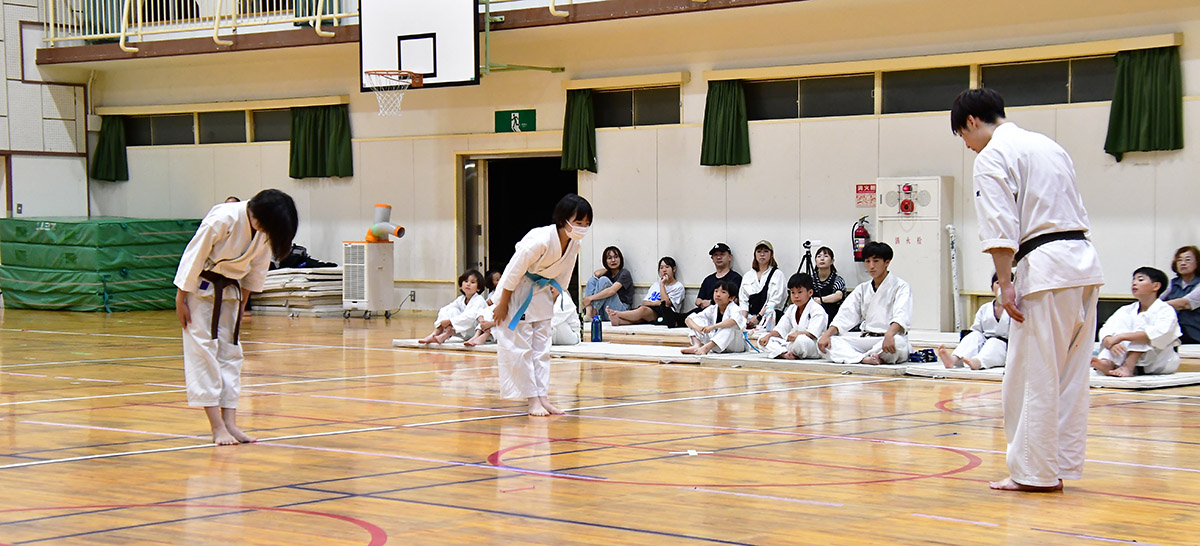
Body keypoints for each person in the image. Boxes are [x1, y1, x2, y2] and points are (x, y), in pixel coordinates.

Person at [952, 87, 1104, 493]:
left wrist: (1005, 285)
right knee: (1069, 375)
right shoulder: (1048, 146)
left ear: (971, 122)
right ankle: (1059, 465)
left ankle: (1034, 473)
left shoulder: (992, 157)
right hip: (1084, 263)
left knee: (1031, 376)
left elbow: (1001, 231)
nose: (967, 146)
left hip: (1046, 268)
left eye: (962, 137)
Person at [174, 188, 298, 445]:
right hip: (199, 289)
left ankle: (230, 423)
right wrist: (180, 299)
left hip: (231, 292)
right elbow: (193, 256)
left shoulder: (264, 231)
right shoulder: (223, 218)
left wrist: (243, 305)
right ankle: (216, 426)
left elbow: (257, 269)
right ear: (258, 217)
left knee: (232, 354)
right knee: (203, 353)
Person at [490, 194, 592, 416]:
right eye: (578, 223)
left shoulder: (575, 243)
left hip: (542, 292)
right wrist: (503, 302)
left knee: (542, 349)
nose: (582, 228)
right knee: (522, 347)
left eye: (586, 224)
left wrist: (556, 293)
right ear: (563, 219)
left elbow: (566, 272)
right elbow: (513, 270)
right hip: (517, 291)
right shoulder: (540, 240)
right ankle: (532, 400)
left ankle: (543, 398)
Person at [817, 242, 912, 365]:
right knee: (828, 342)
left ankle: (859, 357)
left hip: (888, 338)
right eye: (867, 261)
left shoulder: (901, 286)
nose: (871, 266)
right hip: (866, 339)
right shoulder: (862, 289)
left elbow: (902, 314)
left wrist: (890, 334)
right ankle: (865, 358)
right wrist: (827, 334)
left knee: (898, 343)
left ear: (887, 262)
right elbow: (845, 315)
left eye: (876, 261)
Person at [1091, 267, 1181, 377]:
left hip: (1157, 361)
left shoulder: (1166, 310)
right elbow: (1107, 327)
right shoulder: (1126, 309)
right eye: (1133, 280)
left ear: (1156, 286)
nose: (1134, 283)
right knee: (1117, 333)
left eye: (1140, 280)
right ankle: (1107, 363)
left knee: (1143, 332)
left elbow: (1160, 333)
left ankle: (1128, 366)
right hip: (1121, 356)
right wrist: (1110, 340)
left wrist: (1122, 337)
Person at [937, 272, 1012, 370]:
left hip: (1002, 347)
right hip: (985, 342)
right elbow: (976, 330)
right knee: (974, 336)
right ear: (992, 287)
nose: (1001, 287)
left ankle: (978, 362)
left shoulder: (1015, 309)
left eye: (1006, 283)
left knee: (994, 343)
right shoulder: (984, 308)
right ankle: (953, 359)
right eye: (998, 283)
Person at [757, 273, 828, 359]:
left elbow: (813, 333)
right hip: (792, 344)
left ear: (810, 293)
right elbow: (781, 329)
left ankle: (783, 352)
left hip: (811, 345)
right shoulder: (791, 309)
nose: (796, 296)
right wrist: (768, 336)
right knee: (762, 339)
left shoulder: (817, 310)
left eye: (800, 292)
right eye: (793, 292)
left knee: (801, 340)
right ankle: (786, 354)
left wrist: (798, 334)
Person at [608, 257, 686, 327]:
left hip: (666, 314)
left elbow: (665, 304)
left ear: (674, 269)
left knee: (643, 311)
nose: (664, 270)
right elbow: (644, 302)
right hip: (651, 309)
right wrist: (655, 303)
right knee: (642, 314)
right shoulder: (655, 285)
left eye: (667, 267)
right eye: (661, 268)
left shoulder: (678, 287)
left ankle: (618, 313)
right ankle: (619, 321)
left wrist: (662, 285)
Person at [419, 270, 487, 344]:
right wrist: (444, 322)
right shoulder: (460, 299)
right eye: (466, 281)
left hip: (474, 331)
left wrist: (450, 322)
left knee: (463, 317)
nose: (468, 284)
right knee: (452, 310)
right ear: (461, 285)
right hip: (461, 330)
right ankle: (435, 333)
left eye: (472, 282)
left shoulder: (479, 300)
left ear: (478, 288)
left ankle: (447, 334)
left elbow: (470, 317)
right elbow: (444, 310)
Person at [682, 280, 746, 355]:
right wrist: (698, 328)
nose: (718, 294)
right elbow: (688, 319)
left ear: (731, 298)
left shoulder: (735, 308)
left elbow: (733, 321)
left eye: (723, 292)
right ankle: (696, 345)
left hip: (734, 345)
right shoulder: (712, 308)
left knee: (730, 326)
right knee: (696, 320)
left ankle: (706, 348)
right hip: (717, 345)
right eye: (716, 291)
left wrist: (713, 327)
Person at [739, 240, 786, 329]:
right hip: (749, 319)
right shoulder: (748, 276)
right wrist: (743, 321)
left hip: (770, 319)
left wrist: (759, 317)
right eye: (759, 251)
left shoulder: (777, 274)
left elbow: (774, 302)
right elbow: (743, 301)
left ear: (771, 254)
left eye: (765, 251)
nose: (762, 254)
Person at [581, 246, 635, 321]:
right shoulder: (607, 274)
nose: (613, 260)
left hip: (621, 311)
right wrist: (607, 269)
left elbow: (612, 291)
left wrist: (590, 298)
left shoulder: (624, 273)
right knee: (592, 280)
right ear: (605, 261)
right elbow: (596, 274)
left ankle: (593, 311)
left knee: (604, 280)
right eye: (609, 258)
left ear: (620, 259)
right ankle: (589, 313)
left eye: (616, 257)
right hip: (605, 310)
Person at [1162, 245, 1200, 344]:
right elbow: (1157, 299)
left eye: (1187, 260)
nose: (1183, 263)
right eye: (1179, 260)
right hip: (1174, 331)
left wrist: (1155, 306)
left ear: (1197, 262)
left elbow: (1185, 303)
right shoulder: (1172, 283)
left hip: (1194, 333)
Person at [690, 243, 742, 313]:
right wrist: (700, 302)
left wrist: (711, 302)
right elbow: (698, 300)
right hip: (703, 312)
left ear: (730, 257)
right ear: (712, 258)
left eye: (722, 254)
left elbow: (735, 300)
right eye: (715, 255)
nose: (718, 257)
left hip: (722, 314)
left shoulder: (735, 278)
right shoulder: (708, 279)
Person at [811, 246, 846, 319]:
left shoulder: (838, 279)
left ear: (832, 261)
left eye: (826, 256)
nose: (822, 259)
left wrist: (820, 300)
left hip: (833, 318)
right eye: (819, 256)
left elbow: (838, 296)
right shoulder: (810, 279)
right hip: (813, 317)